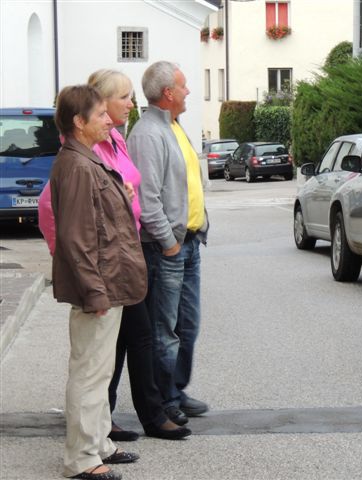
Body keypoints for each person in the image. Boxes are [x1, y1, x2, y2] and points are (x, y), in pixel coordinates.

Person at [39, 70, 191, 443]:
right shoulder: (79, 155)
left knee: (128, 342)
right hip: (105, 265)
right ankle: (101, 437)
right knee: (101, 358)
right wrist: (78, 270)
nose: (129, 103)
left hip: (124, 257)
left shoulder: (115, 140)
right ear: (95, 109)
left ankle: (112, 427)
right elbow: (55, 213)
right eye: (122, 97)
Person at [49, 84, 143, 480]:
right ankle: (82, 460)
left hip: (108, 283)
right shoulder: (76, 165)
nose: (110, 120)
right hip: (98, 287)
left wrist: (120, 194)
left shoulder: (86, 161)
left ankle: (99, 444)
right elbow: (76, 238)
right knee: (89, 374)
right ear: (79, 122)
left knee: (99, 372)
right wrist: (94, 291)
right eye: (101, 115)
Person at [127, 61, 209, 425]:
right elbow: (147, 199)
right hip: (167, 248)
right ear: (168, 93)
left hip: (189, 242)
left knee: (187, 325)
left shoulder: (174, 127)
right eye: (184, 85)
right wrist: (168, 242)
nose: (189, 91)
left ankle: (176, 389)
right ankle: (163, 400)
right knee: (166, 328)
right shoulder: (147, 135)